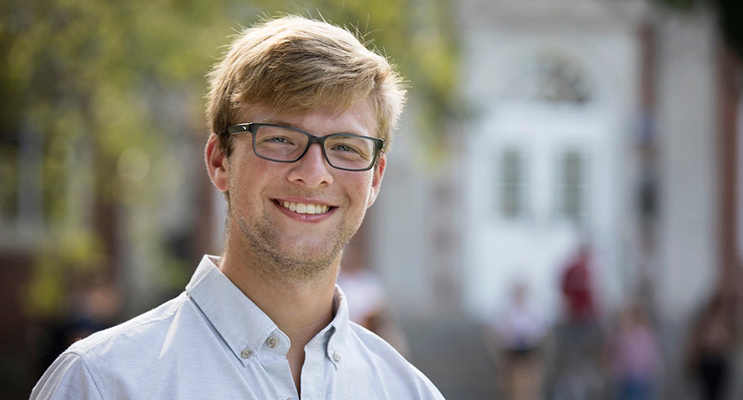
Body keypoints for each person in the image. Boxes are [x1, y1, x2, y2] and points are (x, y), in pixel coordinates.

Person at [30, 15, 444, 399]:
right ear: (218, 161)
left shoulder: (410, 392)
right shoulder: (102, 383)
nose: (314, 173)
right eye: (280, 138)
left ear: (375, 178)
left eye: (345, 147)